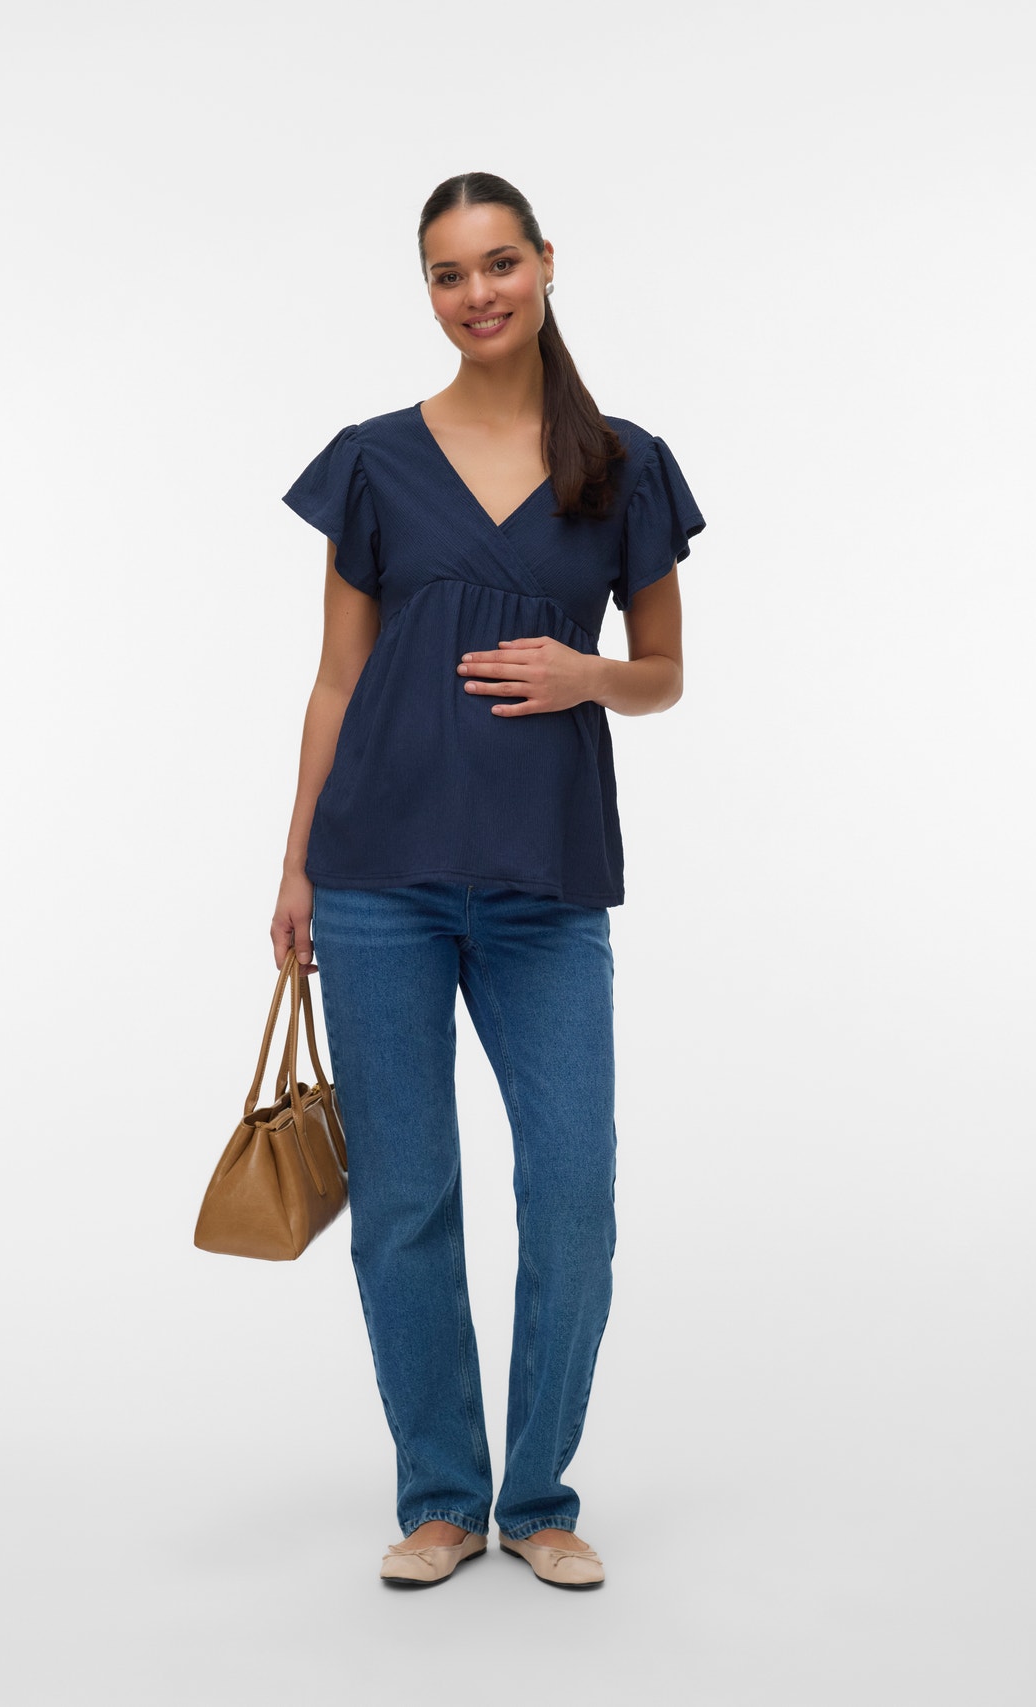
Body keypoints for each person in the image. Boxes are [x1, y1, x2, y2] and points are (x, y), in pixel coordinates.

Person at [272, 171, 706, 1590]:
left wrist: (591, 675)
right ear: (430, 292)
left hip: (546, 883)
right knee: (405, 1201)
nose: (478, 295)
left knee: (573, 1194)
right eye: (449, 275)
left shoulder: (623, 465)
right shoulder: (373, 462)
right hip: (376, 878)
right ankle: (445, 1499)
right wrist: (295, 866)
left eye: (499, 264)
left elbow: (665, 674)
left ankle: (540, 1497)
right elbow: (336, 681)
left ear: (546, 264)